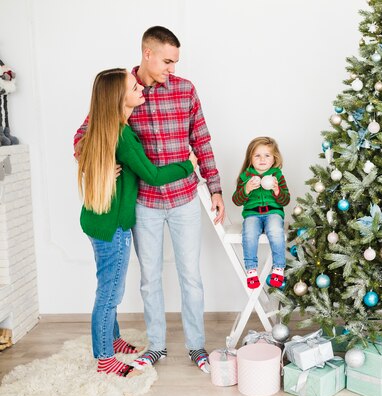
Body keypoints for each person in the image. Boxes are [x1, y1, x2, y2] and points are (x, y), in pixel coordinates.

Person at [74, 26, 225, 374]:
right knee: (149, 279)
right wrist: (99, 163)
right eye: (167, 61)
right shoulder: (124, 92)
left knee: (191, 277)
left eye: (175, 62)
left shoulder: (185, 89)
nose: (171, 68)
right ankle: (156, 346)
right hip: (144, 205)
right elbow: (86, 134)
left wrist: (215, 189)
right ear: (147, 54)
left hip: (185, 200)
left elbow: (201, 139)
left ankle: (196, 347)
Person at [77, 68, 197, 377]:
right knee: (110, 293)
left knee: (107, 286)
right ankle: (105, 358)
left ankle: (113, 339)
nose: (140, 87)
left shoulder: (110, 128)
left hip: (98, 221)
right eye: (134, 87)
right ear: (120, 98)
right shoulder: (124, 137)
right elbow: (154, 176)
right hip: (112, 227)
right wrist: (188, 165)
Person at [232, 136, 290, 289]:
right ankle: (251, 270)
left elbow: (286, 200)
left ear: (274, 159)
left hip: (273, 213)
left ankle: (278, 268)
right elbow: (236, 200)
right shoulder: (245, 177)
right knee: (249, 233)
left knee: (276, 231)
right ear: (250, 159)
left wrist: (277, 190)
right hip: (252, 214)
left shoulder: (277, 176)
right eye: (257, 155)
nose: (262, 159)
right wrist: (247, 189)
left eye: (267, 155)